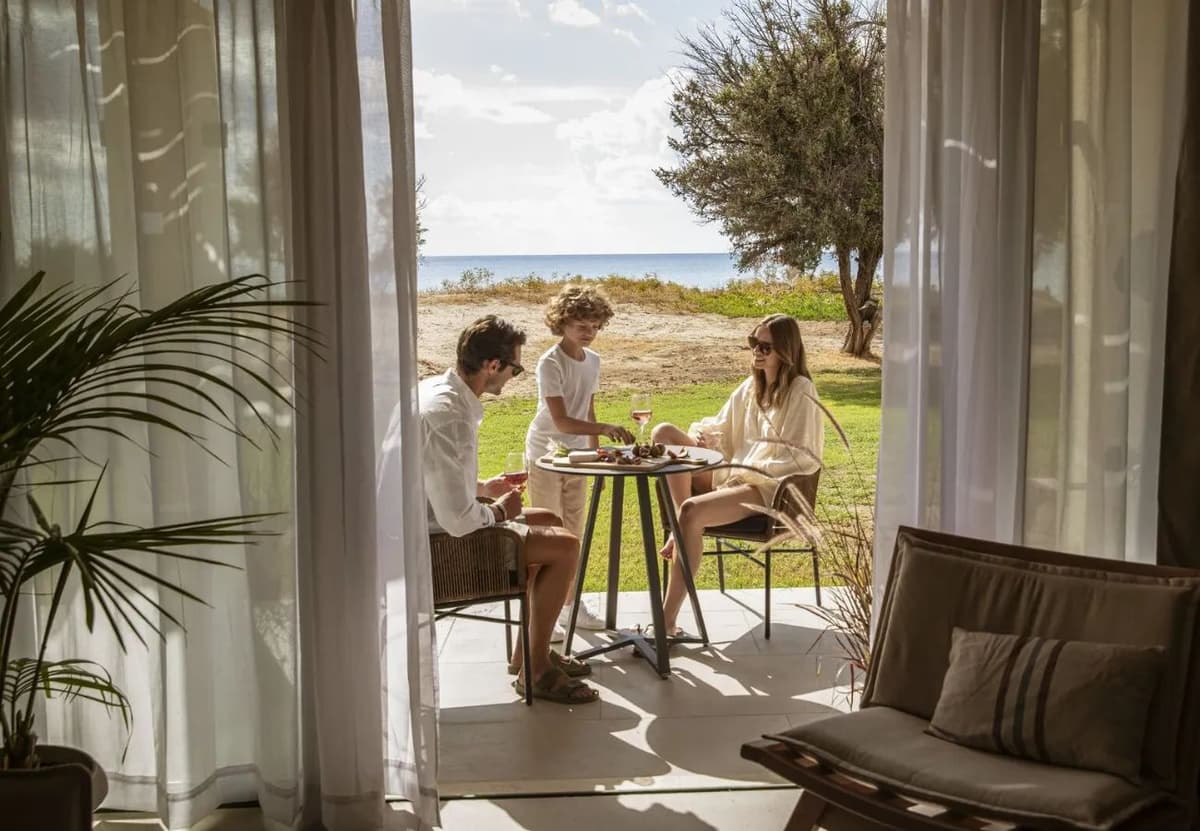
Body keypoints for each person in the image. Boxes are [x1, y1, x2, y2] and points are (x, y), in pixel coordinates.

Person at [418, 315, 599, 704]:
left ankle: (527, 655)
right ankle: (538, 671)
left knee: (550, 520)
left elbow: (432, 479)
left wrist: (482, 488)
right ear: (492, 365)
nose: (514, 377)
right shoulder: (449, 417)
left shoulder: (437, 392)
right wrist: (499, 511)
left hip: (428, 525)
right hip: (437, 549)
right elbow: (458, 521)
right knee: (565, 547)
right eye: (514, 369)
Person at [650, 313, 824, 637]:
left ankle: (666, 622)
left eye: (765, 346)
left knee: (693, 511)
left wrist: (742, 472)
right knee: (664, 433)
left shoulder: (801, 390)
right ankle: (679, 524)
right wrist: (703, 437)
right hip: (731, 475)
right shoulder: (750, 386)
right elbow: (722, 427)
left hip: (766, 486)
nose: (757, 351)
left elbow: (800, 456)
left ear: (785, 350)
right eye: (753, 343)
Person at [524, 286, 635, 637]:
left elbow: (587, 409)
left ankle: (571, 606)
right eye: (581, 325)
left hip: (577, 456)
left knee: (574, 534)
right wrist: (604, 429)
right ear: (562, 323)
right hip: (546, 454)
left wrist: (597, 456)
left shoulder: (593, 361)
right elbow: (560, 421)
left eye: (594, 326)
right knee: (549, 535)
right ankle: (540, 615)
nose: (588, 332)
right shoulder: (550, 362)